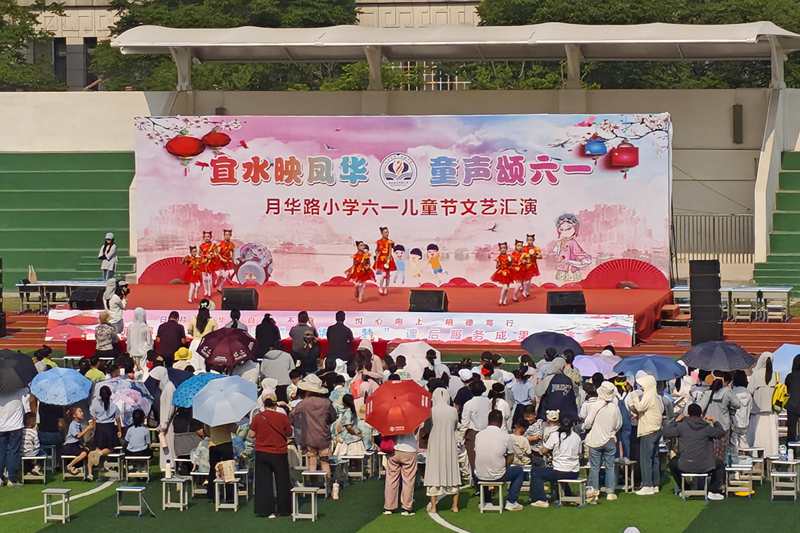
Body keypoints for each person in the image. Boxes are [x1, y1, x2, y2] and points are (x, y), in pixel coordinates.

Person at [662, 403, 726, 500]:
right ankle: (713, 490)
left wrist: (675, 421)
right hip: (706, 465)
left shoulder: (682, 426)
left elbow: (666, 432)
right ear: (701, 414)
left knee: (672, 464)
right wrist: (715, 421)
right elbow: (721, 433)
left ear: (688, 414)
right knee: (720, 464)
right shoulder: (706, 427)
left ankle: (685, 488)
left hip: (685, 464)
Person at [249, 391, 292, 518]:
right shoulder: (282, 417)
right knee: (282, 481)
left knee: (264, 482)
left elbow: (251, 434)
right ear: (275, 403)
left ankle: (265, 510)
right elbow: (289, 433)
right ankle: (284, 509)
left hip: (262, 452)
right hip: (279, 452)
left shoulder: (258, 417)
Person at [473, 409, 525, 511]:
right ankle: (511, 502)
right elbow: (511, 456)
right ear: (501, 422)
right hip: (497, 474)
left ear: (488, 421)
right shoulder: (506, 436)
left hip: (479, 474)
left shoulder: (478, 435)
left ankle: (487, 500)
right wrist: (504, 466)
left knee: (485, 466)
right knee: (519, 471)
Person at [291, 375, 336, 482]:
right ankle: (327, 484)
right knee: (325, 461)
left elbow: (292, 416)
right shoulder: (326, 402)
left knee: (312, 461)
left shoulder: (303, 404)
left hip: (308, 436)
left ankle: (312, 483)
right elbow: (333, 417)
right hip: (323, 435)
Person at [530, 416, 582, 508]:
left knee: (536, 472)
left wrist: (542, 448)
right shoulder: (577, 437)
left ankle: (540, 499)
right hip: (574, 472)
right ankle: (567, 495)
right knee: (559, 472)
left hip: (560, 471)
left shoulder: (555, 435)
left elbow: (544, 450)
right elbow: (579, 453)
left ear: (559, 424)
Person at [584, 381, 623, 502]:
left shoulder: (595, 405)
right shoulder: (615, 407)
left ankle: (594, 492)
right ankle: (610, 492)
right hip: (610, 439)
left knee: (594, 467)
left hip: (595, 439)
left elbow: (588, 423)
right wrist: (612, 431)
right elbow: (619, 424)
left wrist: (586, 427)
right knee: (610, 466)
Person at [424, 388, 461, 513]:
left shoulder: (431, 411)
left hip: (435, 443)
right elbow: (455, 426)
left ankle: (434, 506)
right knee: (452, 470)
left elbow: (427, 428)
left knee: (434, 471)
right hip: (449, 442)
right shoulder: (453, 411)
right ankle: (455, 506)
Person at [628, 372, 664, 495]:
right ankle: (655, 484)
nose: (641, 387)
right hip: (656, 429)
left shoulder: (649, 395)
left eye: (643, 385)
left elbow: (640, 408)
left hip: (648, 430)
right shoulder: (656, 396)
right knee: (654, 457)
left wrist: (634, 397)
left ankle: (647, 485)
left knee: (645, 458)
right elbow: (643, 410)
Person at [693, 372, 740, 464]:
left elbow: (700, 408)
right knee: (722, 451)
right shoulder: (727, 392)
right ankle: (721, 468)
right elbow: (737, 404)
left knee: (710, 449)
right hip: (723, 426)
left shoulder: (707, 393)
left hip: (709, 426)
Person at [747, 352, 779, 456]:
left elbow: (749, 391)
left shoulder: (755, 375)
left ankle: (756, 455)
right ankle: (772, 454)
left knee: (758, 436)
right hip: (772, 412)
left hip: (758, 412)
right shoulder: (776, 375)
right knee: (771, 436)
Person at [88, 385, 122, 480]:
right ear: (110, 394)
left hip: (99, 428)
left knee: (98, 447)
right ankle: (100, 454)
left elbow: (94, 419)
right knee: (111, 447)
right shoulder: (114, 405)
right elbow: (118, 419)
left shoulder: (95, 404)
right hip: (110, 428)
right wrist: (119, 430)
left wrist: (93, 431)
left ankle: (93, 473)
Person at [461, 381, 490, 484]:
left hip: (473, 433)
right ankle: (487, 481)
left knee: (474, 460)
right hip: (487, 432)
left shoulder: (468, 404)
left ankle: (478, 482)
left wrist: (461, 436)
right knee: (486, 458)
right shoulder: (488, 402)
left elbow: (465, 422)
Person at [383, 430, 418, 516]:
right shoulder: (412, 422)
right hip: (409, 449)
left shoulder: (393, 421)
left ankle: (389, 507)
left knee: (391, 479)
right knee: (408, 480)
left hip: (394, 449)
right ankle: (406, 508)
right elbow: (415, 431)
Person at [149, 366, 176, 472]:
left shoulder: (169, 388)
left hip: (168, 424)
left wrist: (164, 424)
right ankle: (167, 467)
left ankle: (170, 467)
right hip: (165, 423)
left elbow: (170, 408)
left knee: (168, 446)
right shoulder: (165, 388)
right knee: (166, 446)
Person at [535, 357, 578, 421]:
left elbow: (538, 392)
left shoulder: (548, 379)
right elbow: (576, 393)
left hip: (550, 413)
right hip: (567, 414)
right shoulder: (569, 380)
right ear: (563, 367)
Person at [204, 422, 238, 500]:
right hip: (226, 443)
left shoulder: (209, 419)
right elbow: (234, 429)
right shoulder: (227, 418)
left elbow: (207, 432)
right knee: (228, 470)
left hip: (213, 445)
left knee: (213, 469)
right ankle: (229, 495)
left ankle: (212, 494)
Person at [63, 407, 93, 477]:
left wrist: (83, 446)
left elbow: (80, 439)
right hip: (69, 446)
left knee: (88, 450)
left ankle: (86, 471)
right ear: (74, 415)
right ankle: (69, 465)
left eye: (82, 411)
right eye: (80, 412)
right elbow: (78, 436)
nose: (82, 413)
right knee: (84, 453)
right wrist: (88, 428)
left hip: (75, 445)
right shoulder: (73, 424)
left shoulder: (78, 424)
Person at [730, 370, 752, 456]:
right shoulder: (748, 394)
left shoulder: (732, 393)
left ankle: (735, 460)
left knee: (734, 445)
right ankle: (746, 458)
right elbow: (751, 408)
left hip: (734, 423)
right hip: (745, 424)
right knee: (744, 443)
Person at [373, 226, 396, 296]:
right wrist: (376, 255)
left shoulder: (390, 242)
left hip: (388, 259)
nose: (387, 233)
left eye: (387, 232)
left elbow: (390, 252)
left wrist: (388, 261)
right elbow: (377, 250)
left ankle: (386, 288)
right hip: (381, 259)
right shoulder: (378, 241)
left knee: (388, 275)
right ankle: (380, 287)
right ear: (382, 233)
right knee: (383, 274)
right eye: (385, 232)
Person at [786, 354, 800, 442]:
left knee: (791, 431)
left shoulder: (790, 376)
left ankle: (791, 448)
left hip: (792, 406)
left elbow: (786, 390)